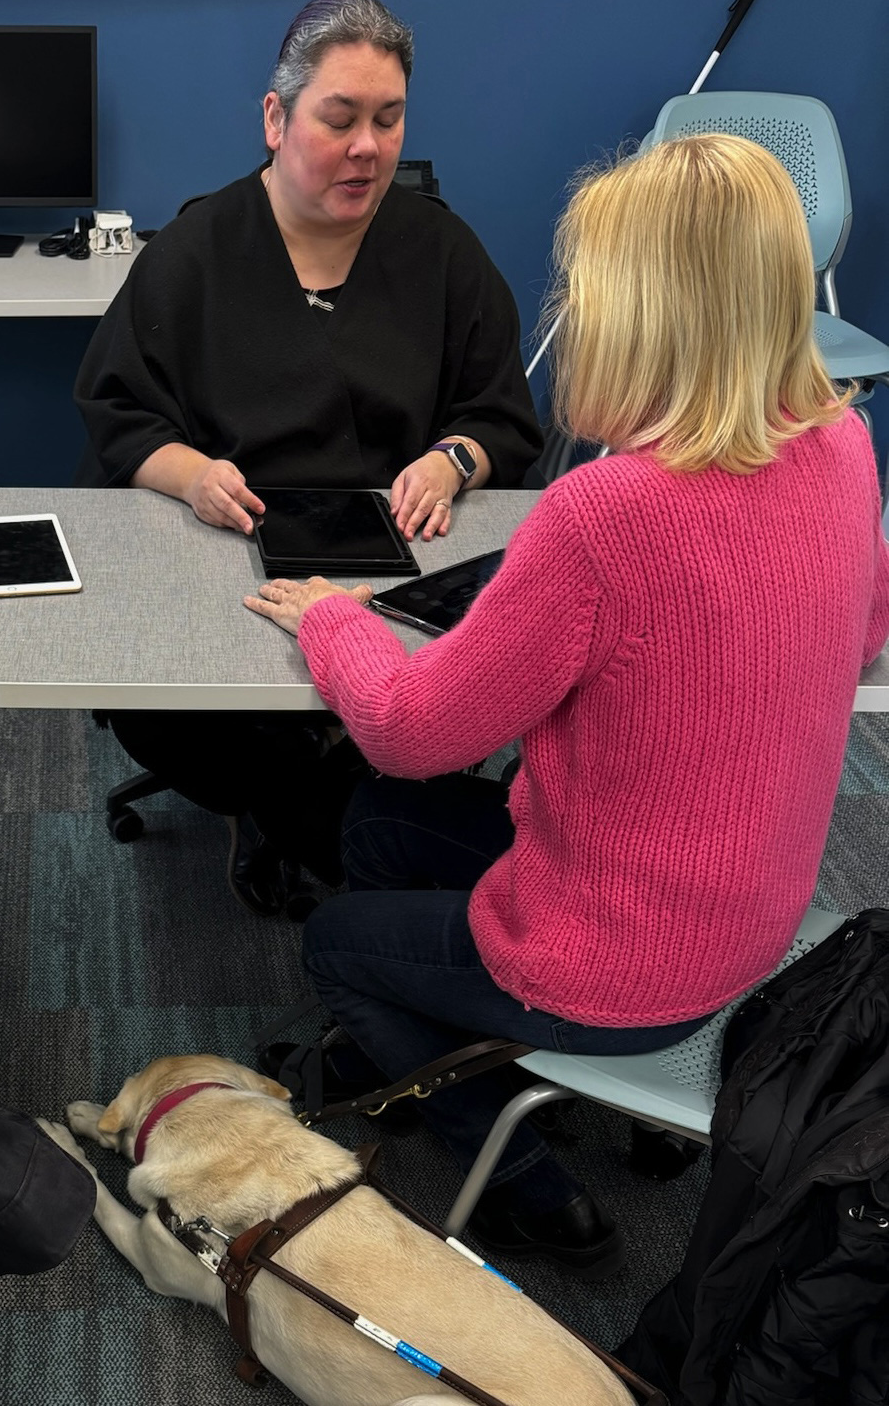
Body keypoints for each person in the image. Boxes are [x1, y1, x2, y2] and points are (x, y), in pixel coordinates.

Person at [244, 133, 889, 1276]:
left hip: (617, 962)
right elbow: (865, 626)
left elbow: (406, 732)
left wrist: (334, 618)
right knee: (377, 833)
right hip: (762, 931)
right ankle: (462, 1033)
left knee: (339, 940)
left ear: (641, 310)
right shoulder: (843, 442)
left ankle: (527, 1185)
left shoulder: (607, 513)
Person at [74, 0, 541, 912]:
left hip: (402, 560)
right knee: (178, 709)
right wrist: (193, 474)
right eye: (340, 119)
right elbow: (119, 415)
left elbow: (501, 417)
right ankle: (333, 819)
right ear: (276, 116)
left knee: (470, 669)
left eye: (388, 118)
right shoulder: (195, 251)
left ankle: (342, 812)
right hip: (228, 557)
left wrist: (453, 459)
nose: (367, 146)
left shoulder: (441, 252)